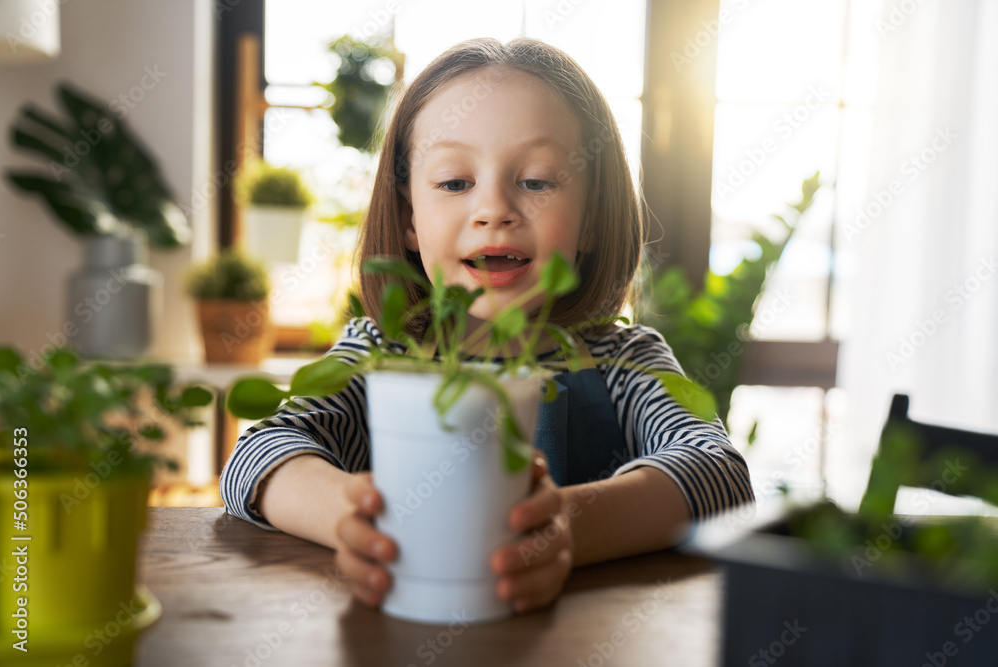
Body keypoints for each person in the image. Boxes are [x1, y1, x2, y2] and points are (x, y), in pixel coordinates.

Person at [220, 37, 754, 614]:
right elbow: (256, 456)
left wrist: (563, 529)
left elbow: (718, 475)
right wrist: (346, 515)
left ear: (592, 220)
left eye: (538, 180)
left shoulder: (623, 359)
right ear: (408, 220)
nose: (494, 208)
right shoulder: (380, 353)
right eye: (454, 183)